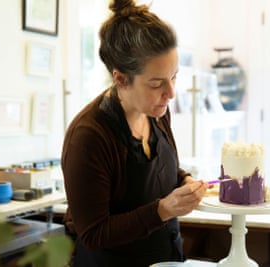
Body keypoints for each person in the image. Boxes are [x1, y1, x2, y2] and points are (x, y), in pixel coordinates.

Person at [61, 0, 209, 266]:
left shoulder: (157, 113)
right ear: (120, 79)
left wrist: (185, 181)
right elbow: (93, 233)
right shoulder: (89, 136)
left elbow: (162, 173)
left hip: (166, 259)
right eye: (156, 83)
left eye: (174, 77)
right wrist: (163, 210)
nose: (171, 93)